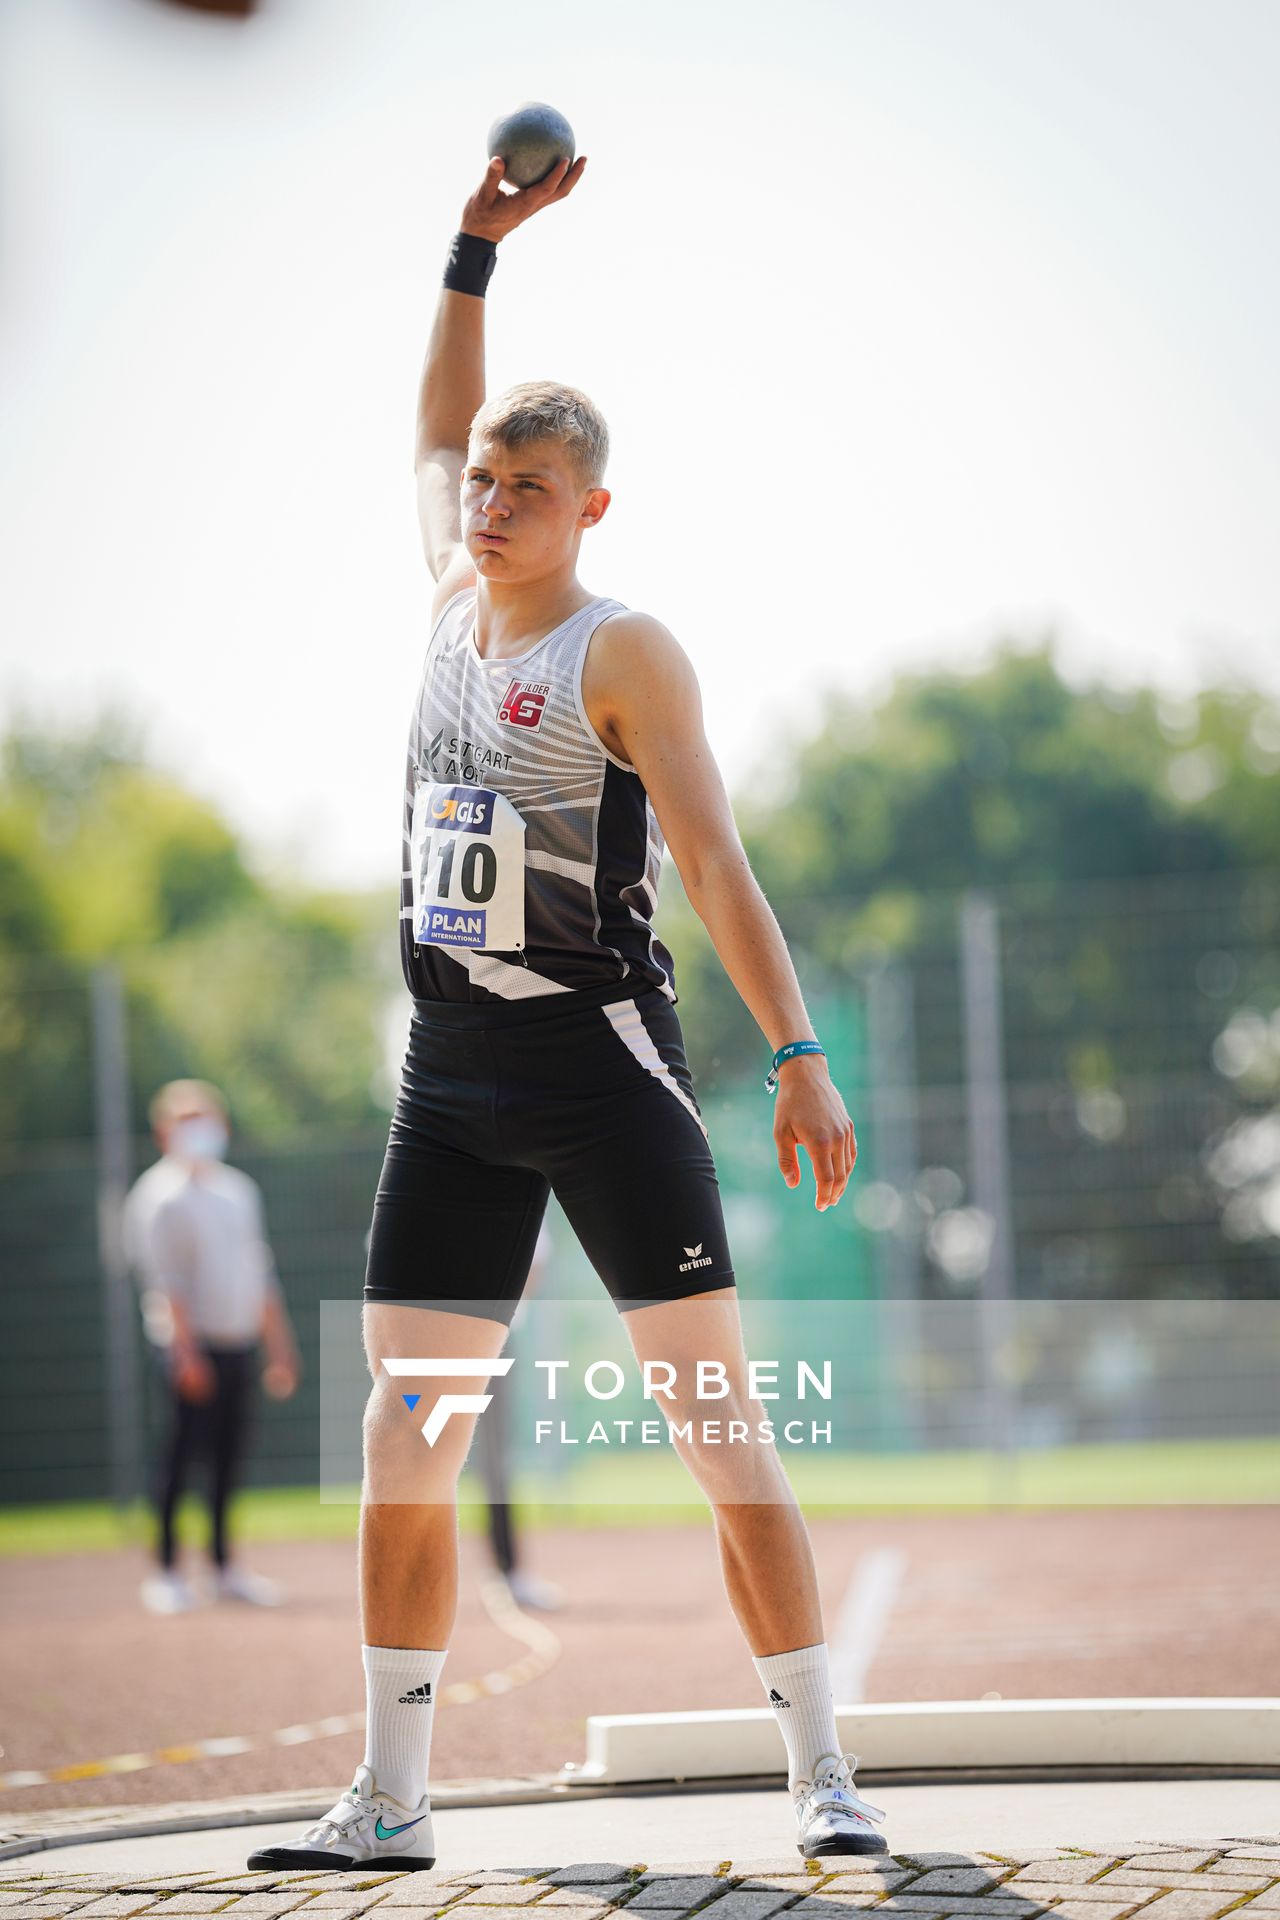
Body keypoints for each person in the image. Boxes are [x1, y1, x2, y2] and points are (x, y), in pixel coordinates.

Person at [250, 153, 884, 1873]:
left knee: (716, 1433)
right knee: (410, 1435)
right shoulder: (448, 600)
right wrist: (475, 244)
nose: (490, 500)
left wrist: (803, 1055)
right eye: (482, 481)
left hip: (603, 1077)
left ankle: (823, 1771)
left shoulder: (622, 650)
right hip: (450, 1079)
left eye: (527, 484)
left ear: (591, 506)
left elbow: (716, 867)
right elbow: (440, 413)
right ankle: (390, 1799)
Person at [125, 1078, 301, 1612]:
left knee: (230, 1457)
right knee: (181, 1457)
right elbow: (165, 1284)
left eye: (205, 1117)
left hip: (238, 1341)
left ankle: (225, 1566)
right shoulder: (158, 1197)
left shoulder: (238, 1190)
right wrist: (185, 1354)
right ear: (163, 1131)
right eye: (185, 1120)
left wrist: (279, 1347)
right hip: (190, 1347)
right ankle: (167, 1571)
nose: (199, 1129)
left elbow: (259, 1274)